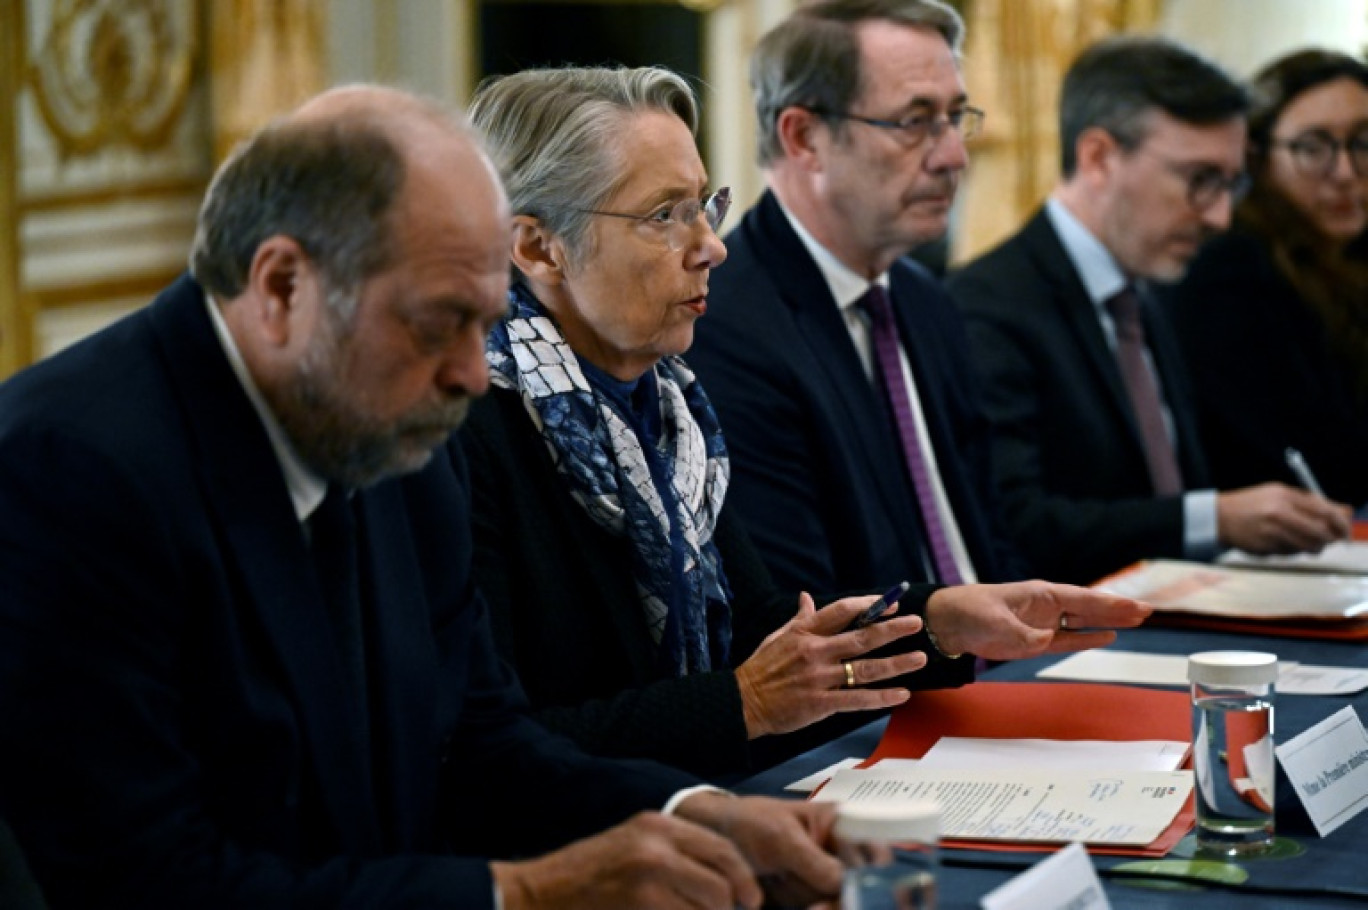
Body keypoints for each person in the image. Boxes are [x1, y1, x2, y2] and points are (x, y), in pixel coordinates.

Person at [0, 84, 847, 910]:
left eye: (483, 324)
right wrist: (528, 892)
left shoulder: (399, 430)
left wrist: (701, 816)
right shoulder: (68, 470)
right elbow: (147, 881)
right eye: (438, 322)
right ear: (284, 286)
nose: (473, 374)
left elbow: (481, 742)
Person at [458, 65, 1151, 780]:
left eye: (704, 205)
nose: (711, 245)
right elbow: (493, 753)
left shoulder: (666, 400)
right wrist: (746, 704)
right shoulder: (467, 432)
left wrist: (936, 620)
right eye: (663, 216)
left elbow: (764, 628)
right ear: (538, 247)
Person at [947, 36, 1353, 586]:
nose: (1219, 217)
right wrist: (1217, 517)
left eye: (1232, 185)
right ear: (1099, 159)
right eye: (1200, 181)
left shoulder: (1144, 291)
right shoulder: (987, 307)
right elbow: (1016, 524)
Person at [687, 0, 1027, 598]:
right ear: (805, 137)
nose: (955, 156)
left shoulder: (927, 304)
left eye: (955, 117)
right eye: (915, 122)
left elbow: (989, 537)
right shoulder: (726, 326)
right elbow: (803, 609)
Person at [1162, 49, 1368, 510]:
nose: (1345, 174)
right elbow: (1318, 461)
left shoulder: (1353, 260)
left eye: (1363, 143)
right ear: (1258, 158)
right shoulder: (1232, 269)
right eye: (1313, 148)